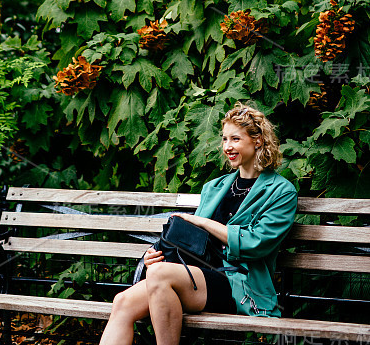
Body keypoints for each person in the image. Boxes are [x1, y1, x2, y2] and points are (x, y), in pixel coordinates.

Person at [99, 102, 298, 345]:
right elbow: (193, 240)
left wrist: (203, 222)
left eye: (235, 139)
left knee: (160, 276)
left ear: (257, 140)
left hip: (240, 283)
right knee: (122, 302)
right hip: (197, 272)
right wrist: (153, 255)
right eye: (224, 139)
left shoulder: (280, 191)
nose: (227, 147)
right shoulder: (214, 187)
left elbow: (257, 244)